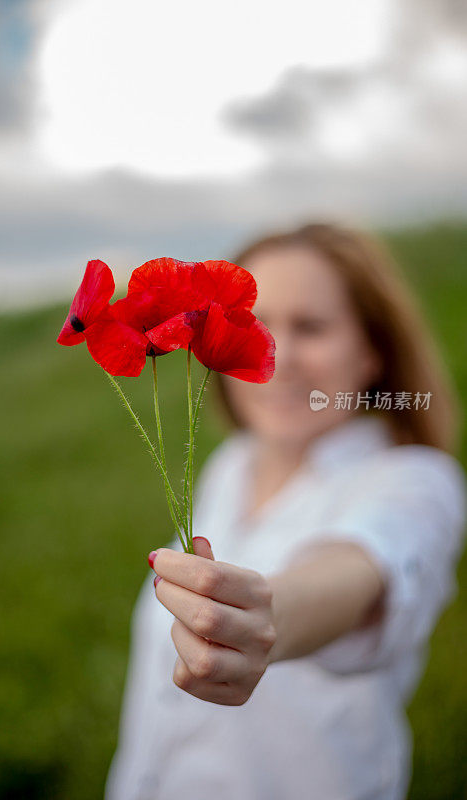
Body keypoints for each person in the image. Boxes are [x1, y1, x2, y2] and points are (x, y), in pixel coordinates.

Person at [104, 223, 466, 800]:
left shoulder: (415, 481)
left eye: (312, 327)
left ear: (373, 351)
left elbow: (357, 568)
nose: (281, 353)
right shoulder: (230, 466)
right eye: (257, 322)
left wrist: (266, 620)